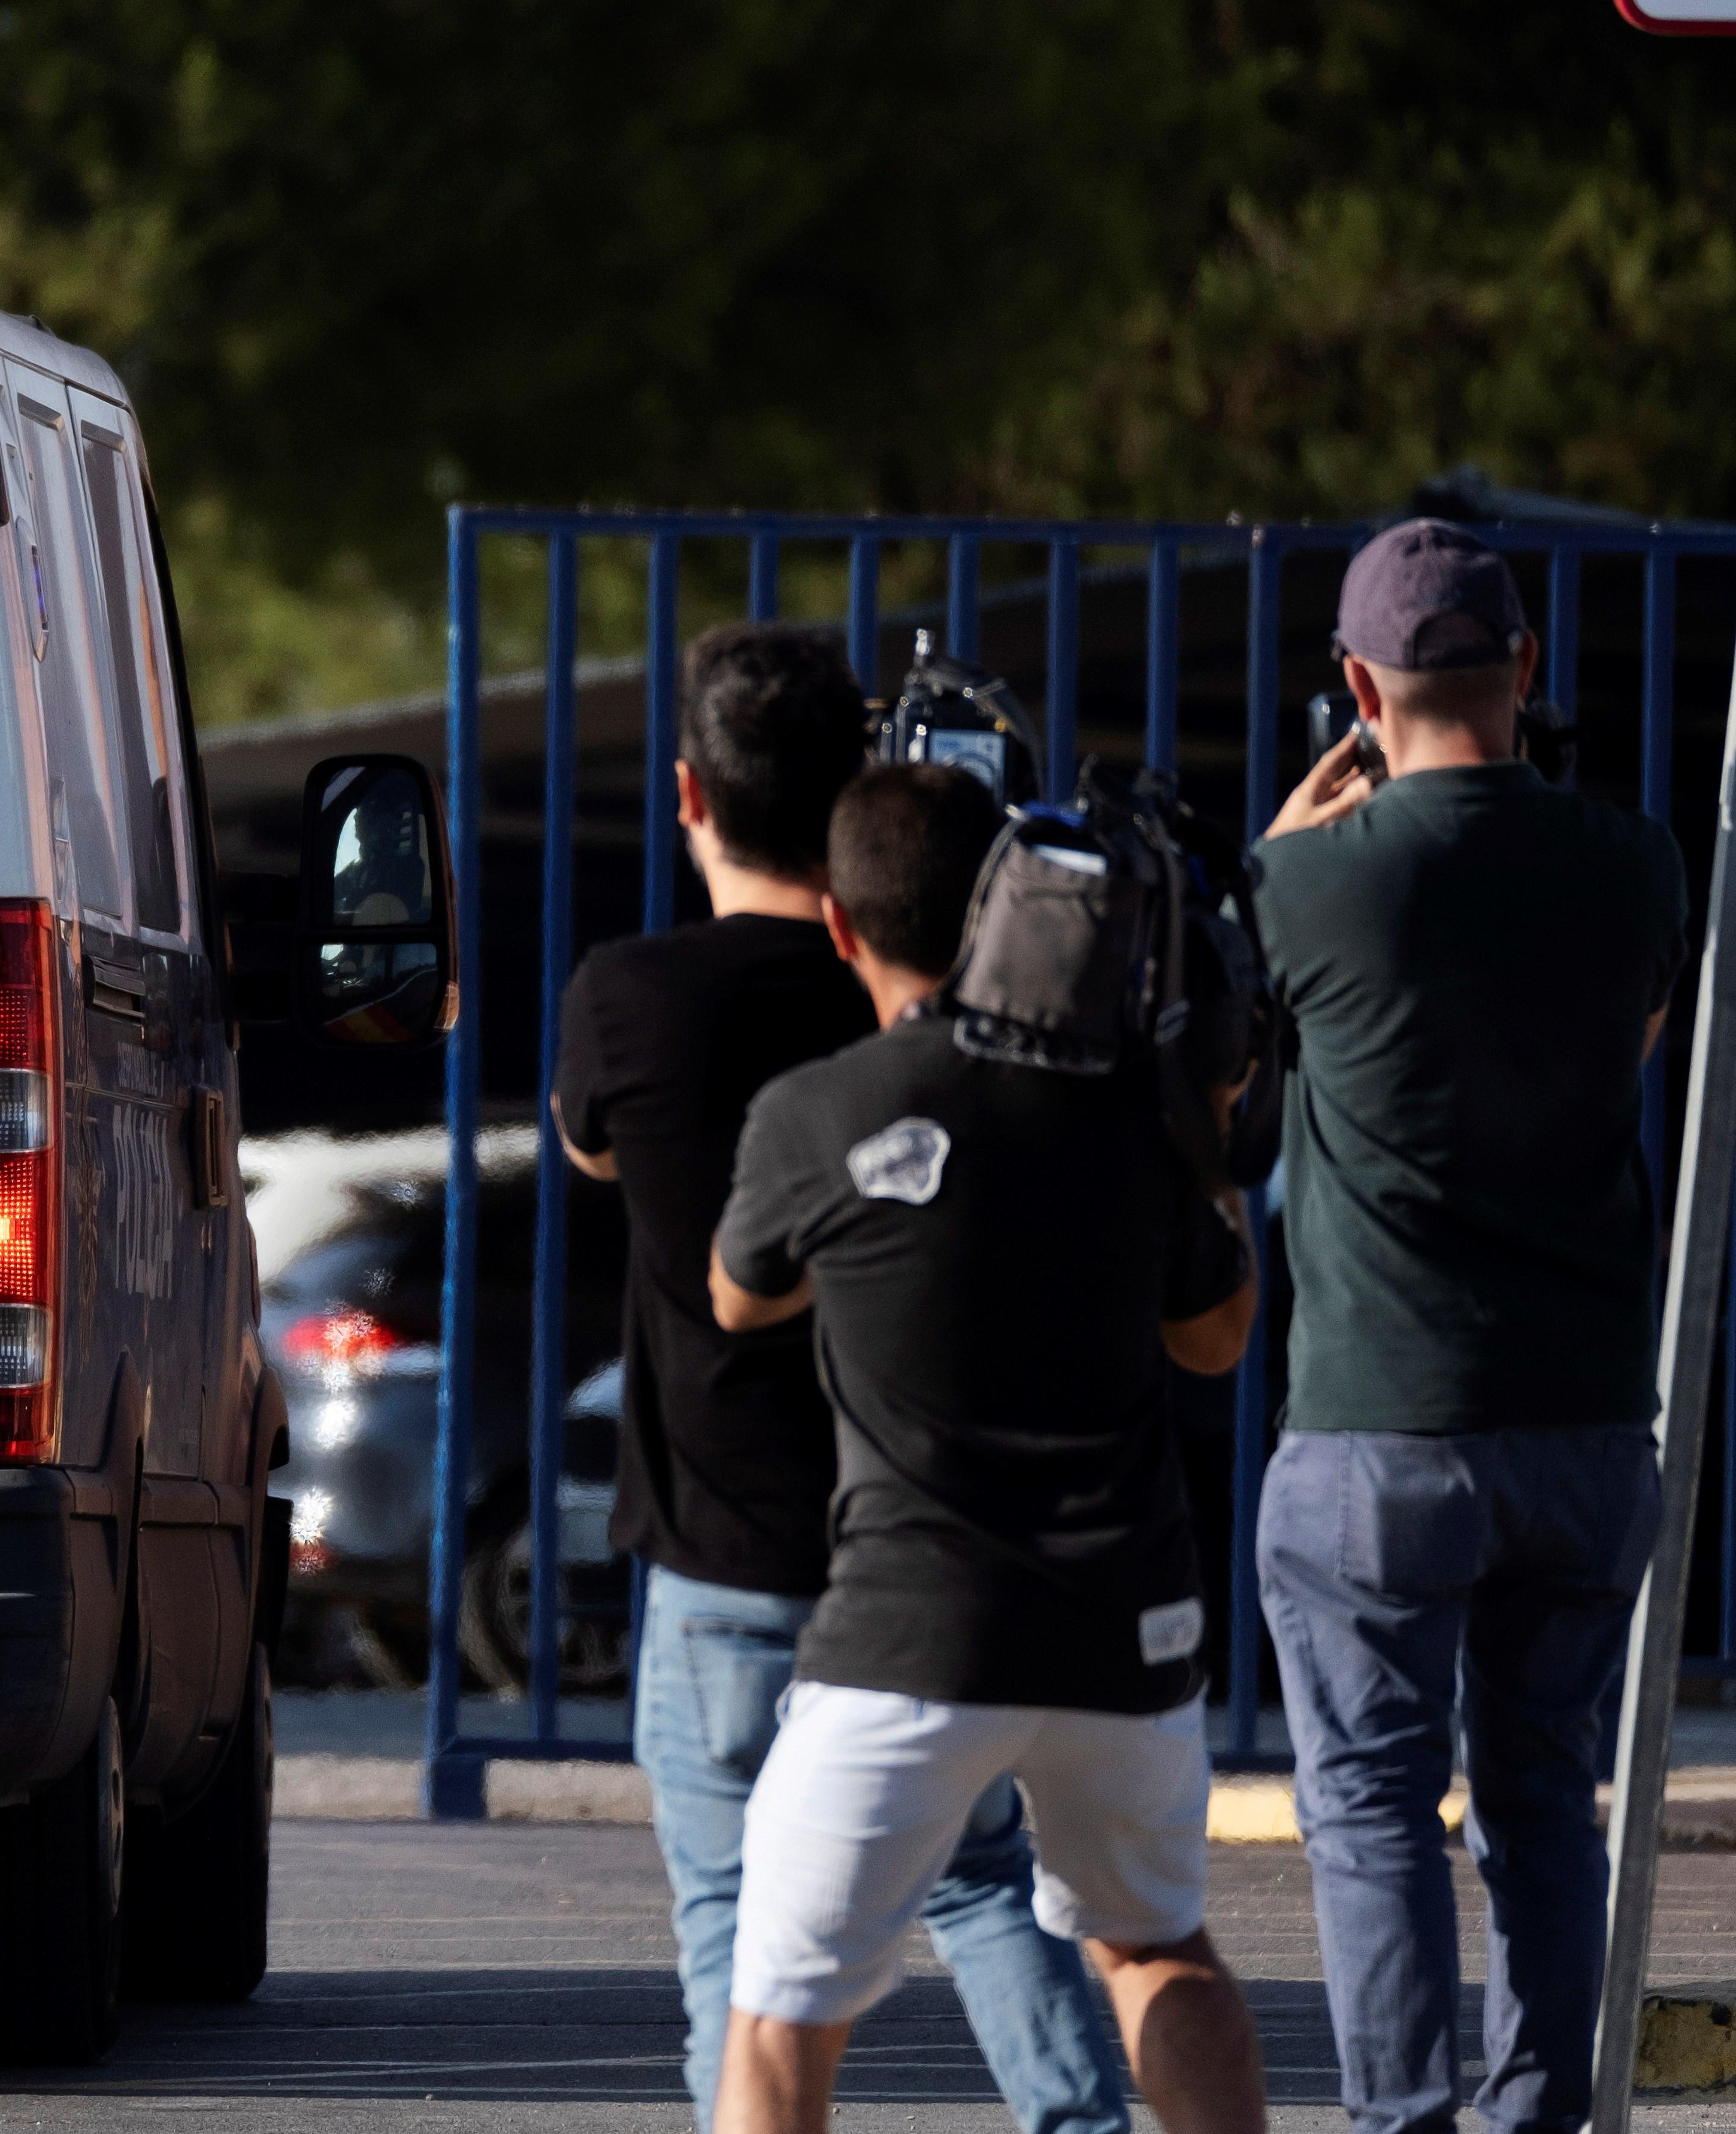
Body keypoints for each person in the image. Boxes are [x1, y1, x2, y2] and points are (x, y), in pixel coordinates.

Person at [555, 628, 1127, 2134]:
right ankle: (1082, 2122)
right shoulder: (900, 994)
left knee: (731, 1938)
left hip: (715, 1555)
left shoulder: (623, 996)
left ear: (684, 791)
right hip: (907, 1544)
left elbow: (592, 1147)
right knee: (986, 1884)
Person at [708, 762, 1270, 2134]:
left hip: (906, 1638)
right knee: (1155, 1947)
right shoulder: (1128, 1101)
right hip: (1121, 1631)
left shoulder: (819, 1109)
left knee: (782, 2017)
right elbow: (1217, 1338)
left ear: (839, 924)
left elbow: (737, 1293)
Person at [1254, 518, 1686, 2134]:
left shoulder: (1303, 882)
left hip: (1378, 1423)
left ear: (1359, 689)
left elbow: (1228, 1038)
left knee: (1371, 1806)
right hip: (1578, 1420)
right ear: (1524, 669)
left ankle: (1404, 2119)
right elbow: (1626, 1047)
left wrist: (1275, 839)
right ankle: (1534, 2120)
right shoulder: (1637, 859)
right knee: (1543, 1805)